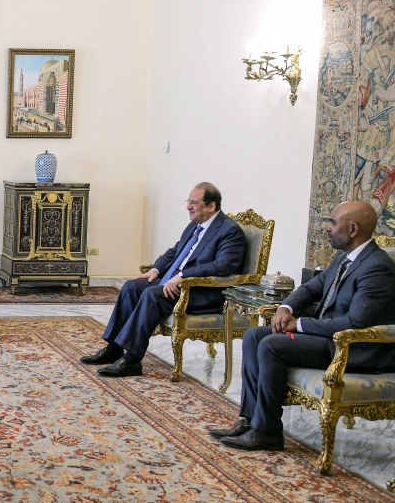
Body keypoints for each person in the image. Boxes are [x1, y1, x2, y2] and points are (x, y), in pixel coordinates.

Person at [213, 201, 395, 451]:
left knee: (272, 345)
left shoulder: (377, 268)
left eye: (333, 223)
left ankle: (267, 432)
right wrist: (285, 308)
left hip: (354, 349)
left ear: (353, 229)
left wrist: (299, 325)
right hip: (328, 338)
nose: (327, 228)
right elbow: (311, 288)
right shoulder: (344, 258)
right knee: (254, 336)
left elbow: (355, 323)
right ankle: (251, 421)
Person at [81, 182, 247, 377]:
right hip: (175, 283)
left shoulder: (229, 231)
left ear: (211, 206)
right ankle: (114, 348)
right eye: (188, 201)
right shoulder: (195, 225)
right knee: (132, 286)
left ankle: (132, 360)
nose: (188, 207)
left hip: (201, 292)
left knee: (152, 294)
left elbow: (224, 266)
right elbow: (175, 251)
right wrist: (155, 269)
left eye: (194, 203)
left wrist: (183, 276)